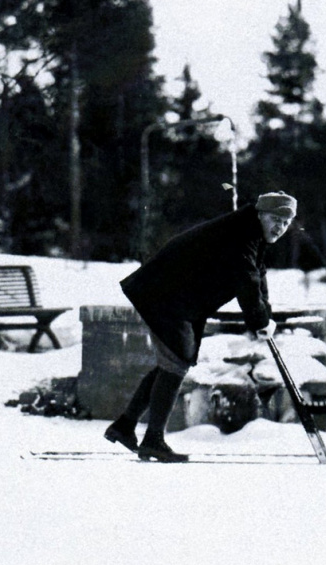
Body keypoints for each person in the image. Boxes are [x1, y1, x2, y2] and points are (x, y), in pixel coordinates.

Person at [104, 191, 297, 462]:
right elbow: (246, 279)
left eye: (286, 222)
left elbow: (258, 275)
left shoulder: (252, 233)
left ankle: (124, 427)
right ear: (260, 215)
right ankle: (153, 440)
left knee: (170, 363)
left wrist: (267, 317)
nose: (280, 227)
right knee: (176, 362)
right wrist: (259, 321)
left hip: (178, 297)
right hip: (165, 294)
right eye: (276, 219)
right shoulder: (242, 233)